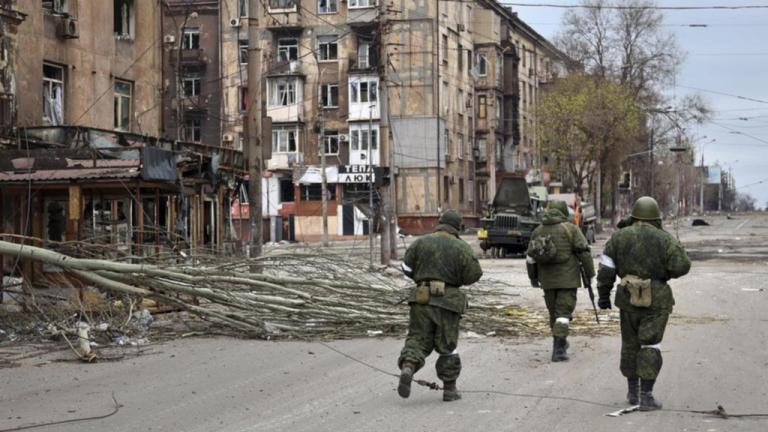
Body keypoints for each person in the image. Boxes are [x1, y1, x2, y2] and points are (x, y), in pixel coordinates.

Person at [596, 196, 690, 411]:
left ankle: (633, 391)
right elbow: (682, 266)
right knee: (650, 344)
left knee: (630, 344)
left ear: (634, 214)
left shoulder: (618, 237)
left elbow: (606, 269)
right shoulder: (664, 239)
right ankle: (646, 395)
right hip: (656, 300)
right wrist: (663, 273)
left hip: (627, 299)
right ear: (656, 216)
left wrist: (603, 295)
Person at [397, 209, 483, 402]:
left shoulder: (421, 242)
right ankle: (450, 389)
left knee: (418, 338)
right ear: (457, 227)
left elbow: (406, 268)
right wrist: (455, 279)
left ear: (440, 223)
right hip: (448, 300)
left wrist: (422, 278)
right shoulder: (462, 247)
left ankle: (409, 367)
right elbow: (474, 274)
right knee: (447, 345)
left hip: (422, 298)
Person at [526, 200, 595, 362]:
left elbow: (530, 258)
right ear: (564, 212)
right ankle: (558, 350)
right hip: (568, 280)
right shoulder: (570, 229)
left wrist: (533, 278)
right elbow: (584, 252)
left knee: (554, 313)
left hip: (547, 281)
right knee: (563, 314)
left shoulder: (538, 231)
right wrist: (590, 274)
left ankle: (560, 342)